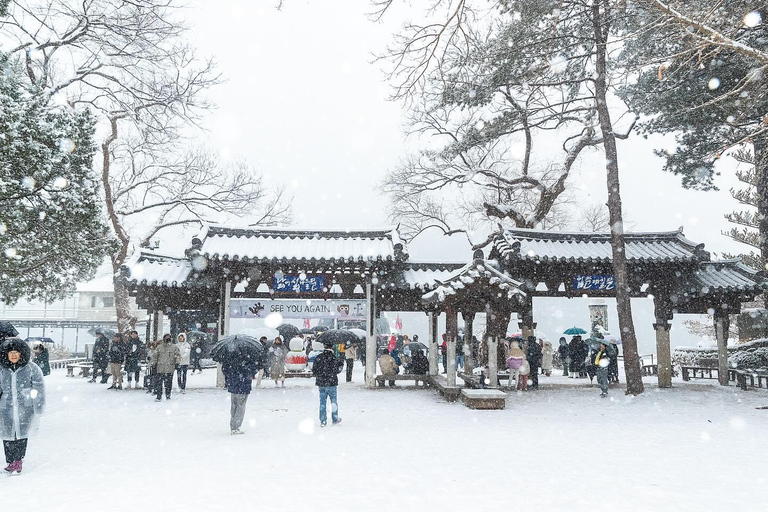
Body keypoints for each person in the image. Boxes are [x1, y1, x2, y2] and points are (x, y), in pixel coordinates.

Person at [1, 338, 45, 474]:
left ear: (21, 353)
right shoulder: (2, 369)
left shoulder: (32, 368)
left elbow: (39, 389)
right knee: (7, 435)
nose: (13, 355)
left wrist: (38, 408)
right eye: (11, 352)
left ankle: (18, 461)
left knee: (21, 434)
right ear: (6, 354)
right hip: (5, 407)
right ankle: (10, 461)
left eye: (16, 352)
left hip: (25, 407)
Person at [222, 351, 259, 435]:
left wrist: (230, 376)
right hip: (243, 385)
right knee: (240, 406)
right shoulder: (249, 357)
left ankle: (233, 425)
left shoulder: (230, 356)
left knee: (234, 405)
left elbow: (224, 369)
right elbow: (254, 369)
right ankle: (236, 427)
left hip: (233, 385)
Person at [312, 340, 344, 427]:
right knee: (333, 402)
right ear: (332, 347)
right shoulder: (334, 358)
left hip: (321, 383)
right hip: (332, 383)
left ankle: (323, 420)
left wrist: (320, 374)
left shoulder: (318, 357)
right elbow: (338, 370)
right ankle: (335, 418)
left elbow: (314, 371)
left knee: (322, 402)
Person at [154, 334, 180, 402]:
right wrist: (153, 364)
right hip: (160, 368)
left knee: (168, 383)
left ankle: (168, 394)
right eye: (166, 337)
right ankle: (158, 396)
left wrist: (177, 363)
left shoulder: (174, 347)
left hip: (170, 368)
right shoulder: (159, 347)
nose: (167, 339)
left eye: (169, 338)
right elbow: (155, 356)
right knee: (159, 383)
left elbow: (177, 355)